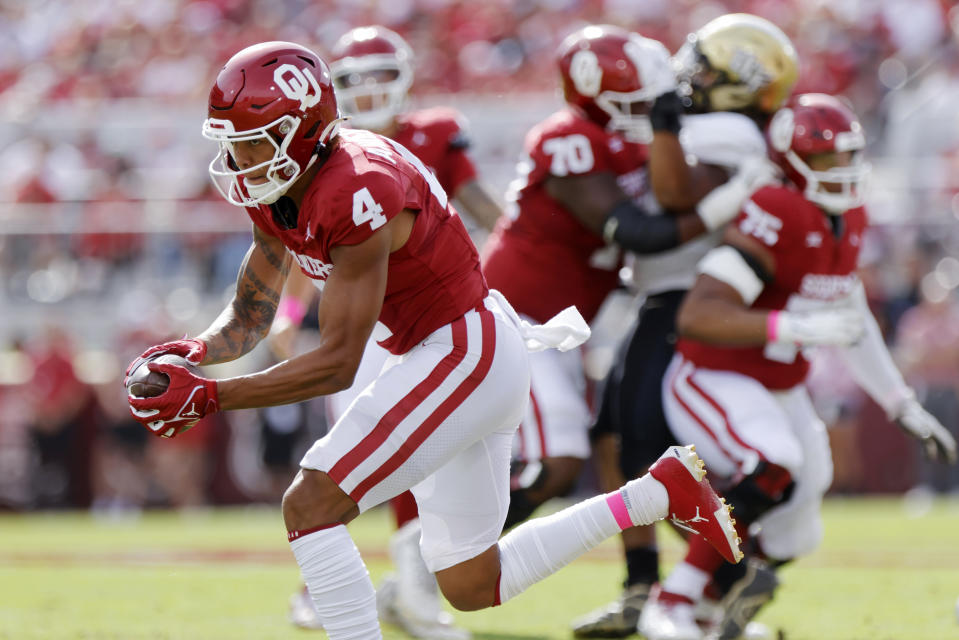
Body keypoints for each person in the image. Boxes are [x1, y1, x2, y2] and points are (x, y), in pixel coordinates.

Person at [124, 41, 743, 640]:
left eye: (252, 142)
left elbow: (338, 363)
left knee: (310, 505)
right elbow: (251, 312)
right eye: (232, 145)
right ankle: (655, 494)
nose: (239, 161)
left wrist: (210, 397)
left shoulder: (356, 189)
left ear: (302, 130)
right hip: (457, 351)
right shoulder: (287, 183)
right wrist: (193, 355)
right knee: (474, 583)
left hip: (460, 351)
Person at [638, 93, 957, 640]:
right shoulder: (779, 208)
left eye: (850, 156)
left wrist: (900, 403)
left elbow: (851, 316)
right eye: (830, 159)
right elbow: (699, 314)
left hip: (776, 384)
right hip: (715, 373)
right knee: (772, 461)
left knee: (797, 532)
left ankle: (713, 614)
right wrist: (793, 327)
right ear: (792, 160)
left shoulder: (847, 216)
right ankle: (671, 602)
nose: (846, 171)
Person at [483, 21, 776, 539]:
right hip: (515, 317)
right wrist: (725, 203)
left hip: (561, 330)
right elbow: (639, 233)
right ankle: (437, 560)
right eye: (635, 99)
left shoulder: (628, 145)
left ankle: (658, 579)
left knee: (597, 444)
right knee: (560, 460)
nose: (649, 110)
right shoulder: (568, 139)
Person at [571, 13, 799, 638]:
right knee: (613, 437)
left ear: (737, 81)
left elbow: (676, 196)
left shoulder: (728, 130)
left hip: (686, 298)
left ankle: (715, 584)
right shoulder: (717, 124)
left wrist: (665, 121)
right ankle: (647, 582)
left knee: (650, 453)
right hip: (656, 297)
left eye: (704, 65)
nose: (688, 74)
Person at [274, 25, 505, 639]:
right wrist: (290, 315)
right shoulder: (324, 152)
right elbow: (310, 249)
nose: (370, 90)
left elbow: (487, 211)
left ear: (404, 77)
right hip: (363, 326)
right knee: (347, 456)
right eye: (355, 80)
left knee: (417, 457)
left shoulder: (433, 133)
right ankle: (321, 585)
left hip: (432, 318)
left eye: (380, 75)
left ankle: (411, 585)